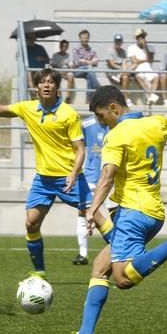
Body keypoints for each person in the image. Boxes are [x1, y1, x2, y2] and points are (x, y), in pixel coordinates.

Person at [64, 81, 167, 334]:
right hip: (151, 211)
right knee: (101, 268)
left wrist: (91, 211)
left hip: (133, 213)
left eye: (101, 117)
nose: (101, 124)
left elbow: (107, 176)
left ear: (113, 108)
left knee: (123, 279)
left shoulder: (118, 134)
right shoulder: (155, 123)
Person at [0, 68, 114, 278]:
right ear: (37, 87)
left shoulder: (68, 114)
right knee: (31, 222)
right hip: (43, 180)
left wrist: (74, 174)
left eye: (51, 82)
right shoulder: (28, 108)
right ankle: (39, 272)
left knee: (96, 216)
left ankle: (124, 249)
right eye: (42, 82)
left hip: (69, 177)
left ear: (57, 87)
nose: (47, 85)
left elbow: (80, 149)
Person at [72, 114, 111, 266]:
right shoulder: (86, 124)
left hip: (110, 177)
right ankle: (83, 254)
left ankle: (119, 249)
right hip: (90, 177)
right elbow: (77, 146)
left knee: (116, 214)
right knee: (83, 211)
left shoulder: (116, 122)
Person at [127, 28, 159, 105]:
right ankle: (151, 95)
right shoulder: (131, 48)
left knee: (156, 77)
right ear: (136, 38)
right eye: (140, 37)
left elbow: (150, 60)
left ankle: (150, 96)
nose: (142, 39)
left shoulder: (150, 47)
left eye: (143, 37)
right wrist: (145, 60)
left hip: (148, 68)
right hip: (138, 68)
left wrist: (146, 47)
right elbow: (135, 61)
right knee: (139, 77)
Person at [72, 29, 102, 102]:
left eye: (87, 38)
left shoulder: (91, 49)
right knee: (89, 69)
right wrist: (90, 62)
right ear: (80, 38)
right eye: (83, 38)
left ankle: (89, 99)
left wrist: (86, 61)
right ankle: (99, 88)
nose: (85, 39)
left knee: (89, 75)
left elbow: (96, 62)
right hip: (78, 71)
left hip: (88, 71)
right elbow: (77, 62)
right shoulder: (76, 49)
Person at [105, 34, 132, 106]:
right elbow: (111, 64)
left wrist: (125, 69)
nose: (118, 43)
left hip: (120, 73)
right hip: (112, 73)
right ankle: (126, 99)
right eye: (117, 41)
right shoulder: (110, 50)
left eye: (119, 41)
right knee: (125, 76)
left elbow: (124, 62)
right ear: (114, 42)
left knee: (125, 77)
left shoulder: (123, 52)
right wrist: (122, 69)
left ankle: (126, 99)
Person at [24, 32, 50, 97]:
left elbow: (48, 60)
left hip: (39, 70)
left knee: (37, 76)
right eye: (29, 38)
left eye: (33, 38)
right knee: (29, 74)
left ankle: (35, 96)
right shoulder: (24, 49)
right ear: (26, 39)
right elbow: (18, 58)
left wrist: (42, 59)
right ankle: (34, 96)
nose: (31, 39)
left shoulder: (40, 48)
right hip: (29, 71)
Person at [50, 39, 75, 103]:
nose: (64, 47)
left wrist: (65, 72)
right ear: (60, 46)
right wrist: (61, 72)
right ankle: (58, 97)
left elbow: (71, 66)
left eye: (66, 46)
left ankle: (68, 97)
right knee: (56, 77)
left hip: (66, 72)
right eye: (63, 46)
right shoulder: (55, 55)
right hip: (57, 71)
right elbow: (53, 66)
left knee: (71, 76)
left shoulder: (69, 56)